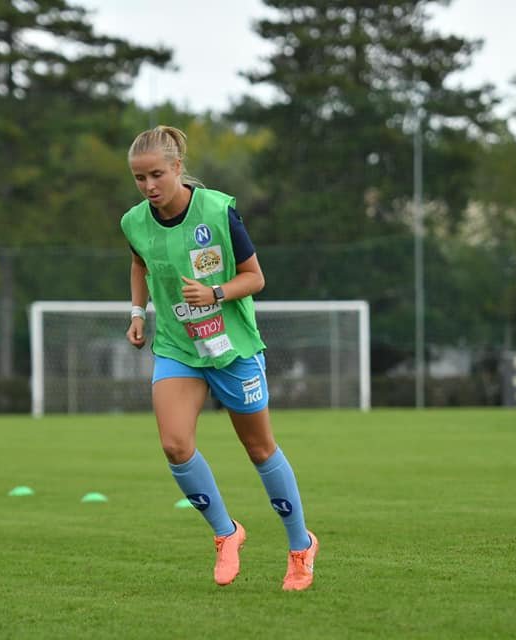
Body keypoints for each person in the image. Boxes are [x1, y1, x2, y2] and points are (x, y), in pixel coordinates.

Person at [121, 125, 317, 590]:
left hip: (231, 348)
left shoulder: (217, 211)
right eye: (139, 179)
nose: (149, 187)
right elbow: (139, 262)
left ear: (176, 169)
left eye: (156, 175)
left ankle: (300, 545)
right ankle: (227, 534)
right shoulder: (133, 221)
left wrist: (214, 293)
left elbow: (255, 278)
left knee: (259, 448)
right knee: (174, 445)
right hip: (177, 347)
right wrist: (137, 312)